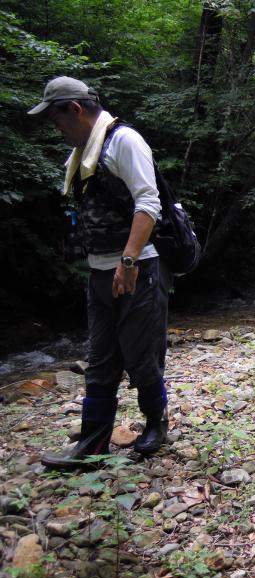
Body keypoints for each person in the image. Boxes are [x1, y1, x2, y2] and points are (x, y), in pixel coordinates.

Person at [28, 76, 173, 469]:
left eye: (57, 120)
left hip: (138, 268)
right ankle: (92, 446)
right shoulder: (83, 154)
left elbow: (148, 203)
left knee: (143, 358)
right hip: (100, 273)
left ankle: (155, 424)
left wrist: (127, 261)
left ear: (75, 110)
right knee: (101, 360)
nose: (56, 129)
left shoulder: (124, 141)